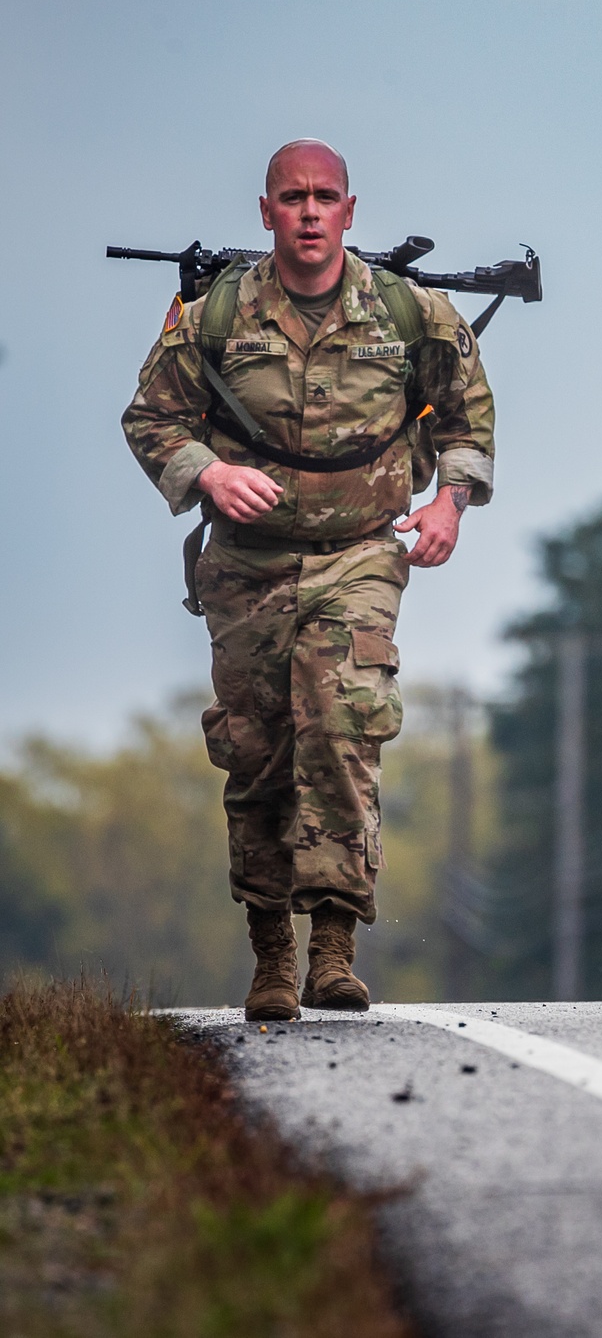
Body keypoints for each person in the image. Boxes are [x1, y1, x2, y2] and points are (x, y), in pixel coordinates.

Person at [122, 140, 495, 1021]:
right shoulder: (214, 315)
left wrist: (451, 504)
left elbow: (467, 410)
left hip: (361, 553)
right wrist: (207, 474)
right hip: (246, 565)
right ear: (267, 213)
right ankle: (270, 956)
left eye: (326, 196)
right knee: (256, 751)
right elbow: (152, 418)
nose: (311, 211)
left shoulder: (404, 309)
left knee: (341, 725)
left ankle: (334, 945)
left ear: (351, 211)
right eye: (293, 197)